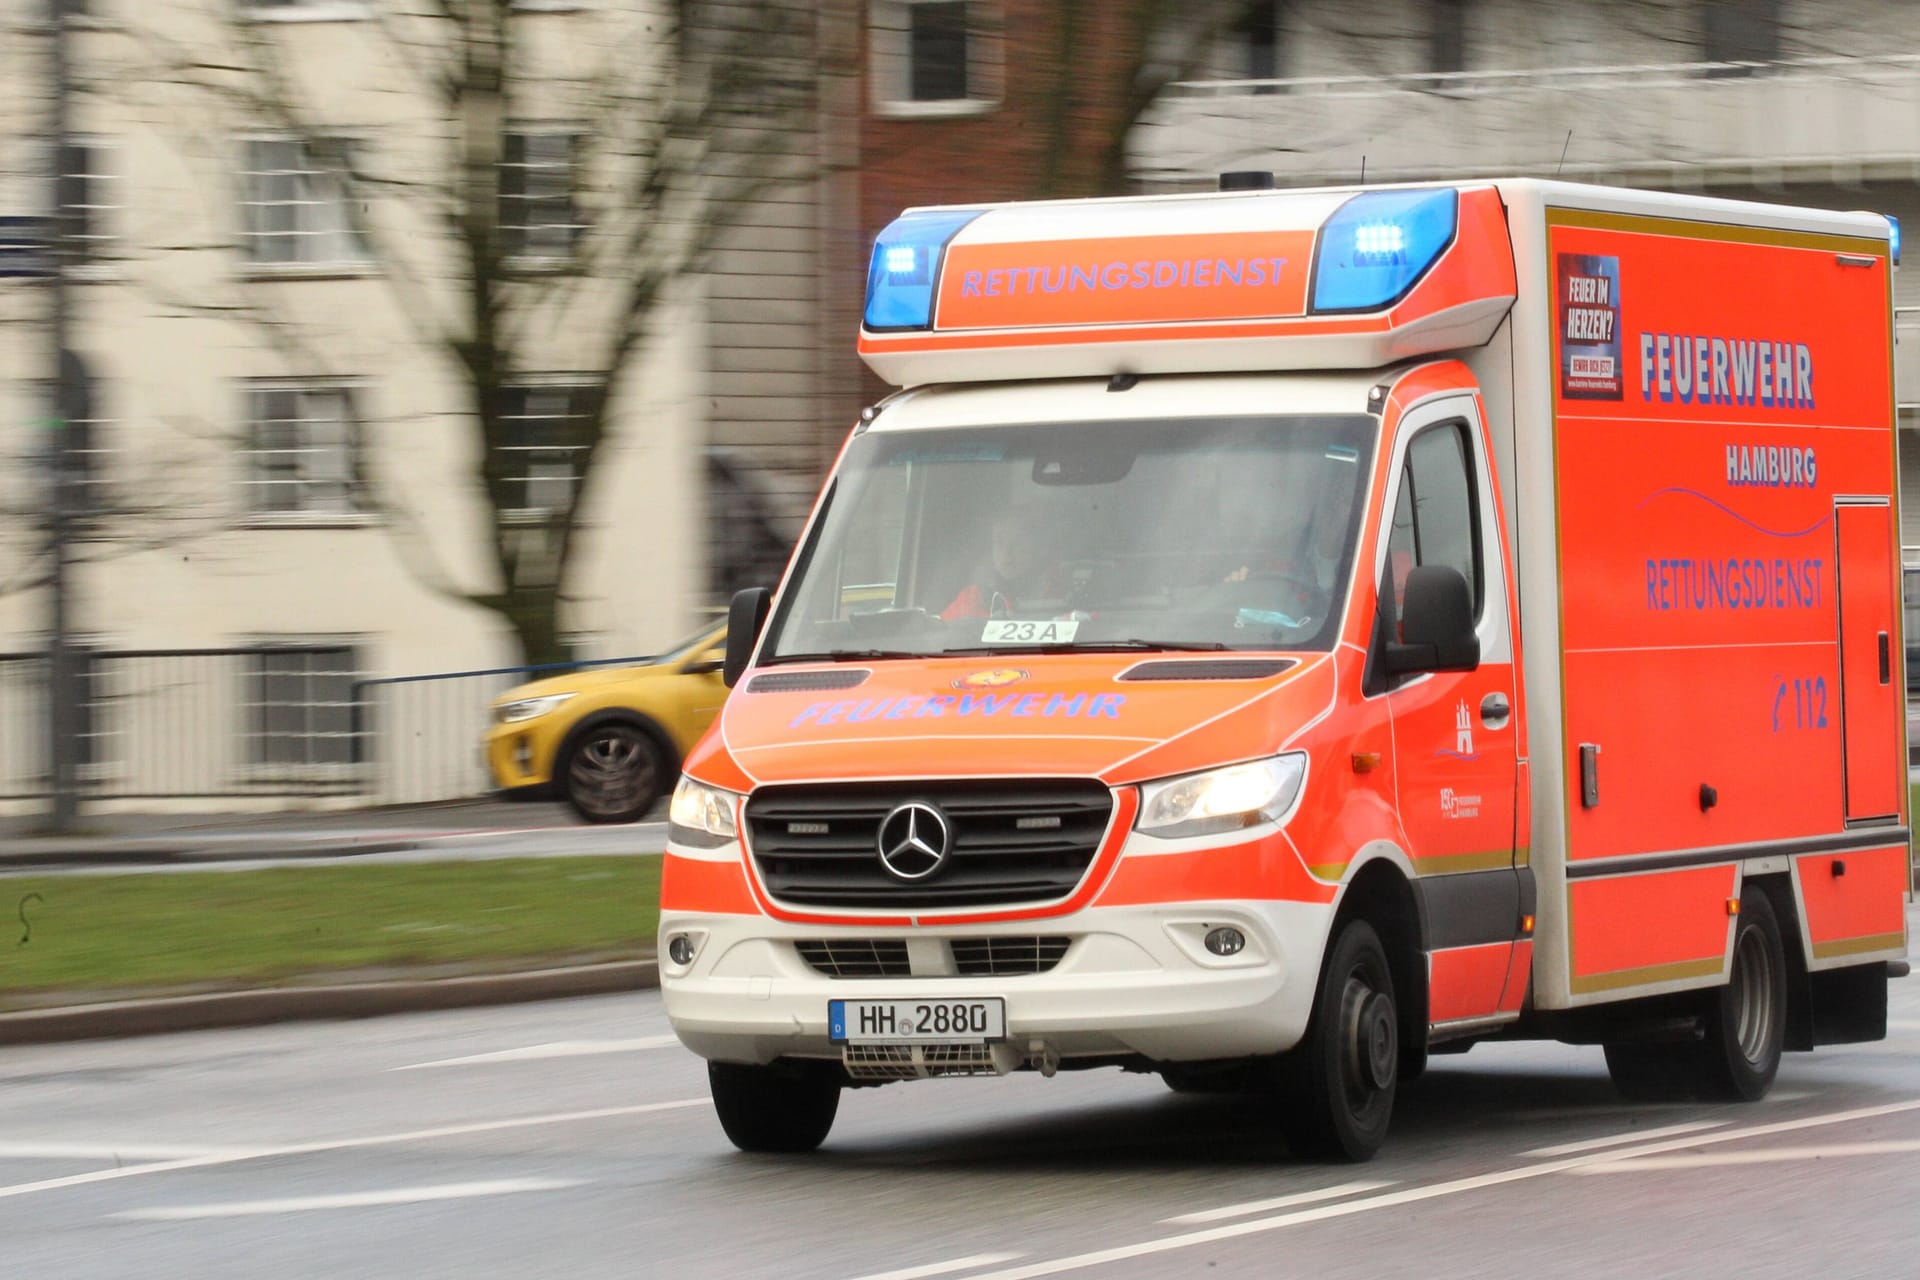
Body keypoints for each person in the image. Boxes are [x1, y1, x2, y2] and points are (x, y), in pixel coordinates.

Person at [941, 508, 1065, 620]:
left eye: (1017, 543)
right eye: (999, 542)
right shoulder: (974, 598)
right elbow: (941, 634)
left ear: (1040, 548)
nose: (1006, 553)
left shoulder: (1065, 592)